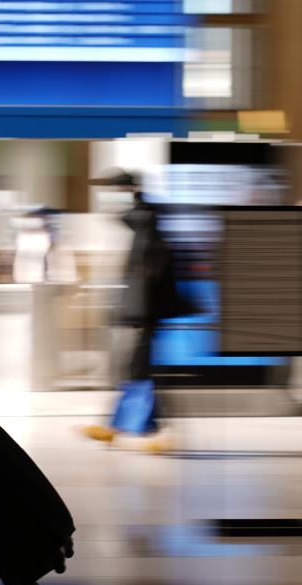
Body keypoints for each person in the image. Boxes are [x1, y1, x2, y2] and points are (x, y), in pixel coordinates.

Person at [81, 170, 194, 451]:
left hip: (145, 313)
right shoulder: (145, 226)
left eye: (114, 189)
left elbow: (147, 277)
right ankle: (139, 428)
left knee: (139, 369)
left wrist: (140, 315)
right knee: (138, 368)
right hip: (143, 312)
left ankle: (138, 429)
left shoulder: (146, 227)